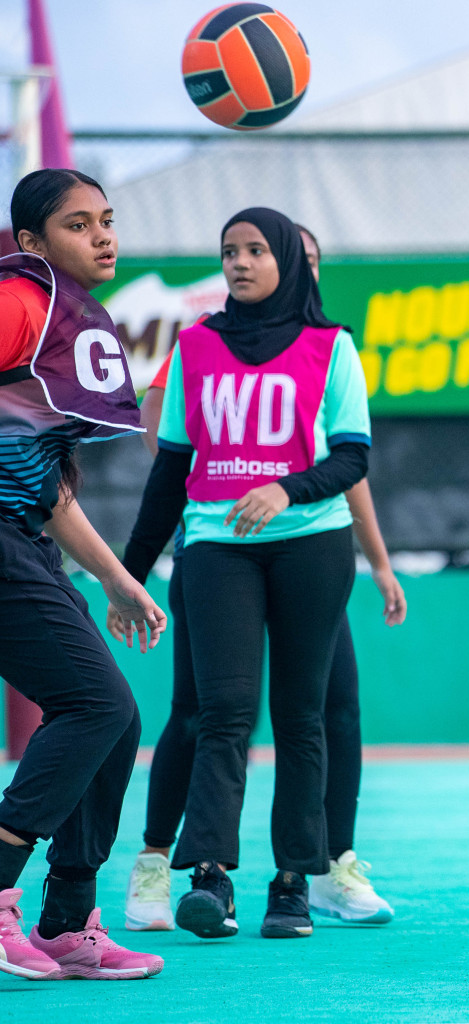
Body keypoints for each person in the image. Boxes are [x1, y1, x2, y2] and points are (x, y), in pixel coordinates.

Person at [120, 224, 403, 933]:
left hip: (311, 545)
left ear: (287, 264)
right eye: (228, 252)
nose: (239, 264)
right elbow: (169, 469)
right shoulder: (196, 346)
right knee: (222, 713)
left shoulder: (332, 347)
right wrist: (130, 573)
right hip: (217, 549)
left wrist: (286, 489)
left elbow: (351, 461)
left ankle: (293, 884)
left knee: (304, 719)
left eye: (254, 251)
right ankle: (208, 878)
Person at [0, 168, 165, 980]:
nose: (102, 235)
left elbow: (51, 492)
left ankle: (68, 923)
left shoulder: (63, 326)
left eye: (106, 220)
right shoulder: (18, 304)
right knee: (95, 705)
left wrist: (114, 578)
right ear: (32, 244)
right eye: (77, 224)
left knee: (116, 719)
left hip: (24, 539)